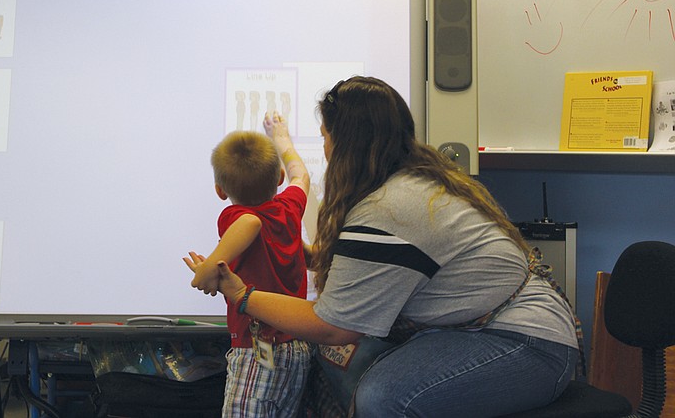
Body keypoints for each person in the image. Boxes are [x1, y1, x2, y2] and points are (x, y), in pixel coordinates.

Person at [186, 76, 581, 417]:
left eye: (324, 138)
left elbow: (332, 327)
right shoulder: (408, 184)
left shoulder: (388, 209)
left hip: (526, 344)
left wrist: (240, 294)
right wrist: (307, 254)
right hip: (482, 330)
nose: (323, 150)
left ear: (345, 144)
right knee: (343, 365)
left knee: (383, 397)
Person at [189, 111, 312, 417]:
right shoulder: (289, 207)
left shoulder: (236, 217)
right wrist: (280, 137)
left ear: (220, 190)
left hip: (258, 349)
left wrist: (207, 270)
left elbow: (250, 222)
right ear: (279, 179)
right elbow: (302, 175)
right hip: (297, 346)